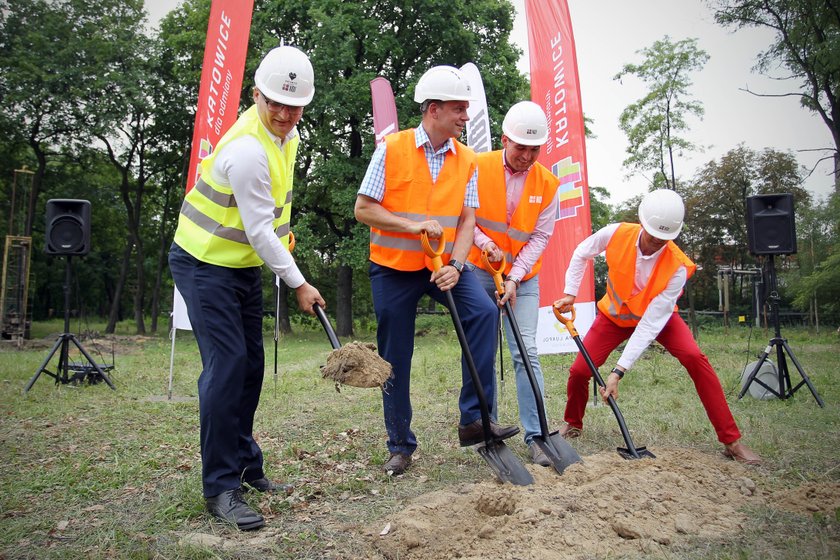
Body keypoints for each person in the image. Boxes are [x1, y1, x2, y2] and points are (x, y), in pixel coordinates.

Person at [169, 46, 326, 530]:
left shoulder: (288, 136)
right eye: (274, 102)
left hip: (240, 266)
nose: (283, 113)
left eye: (294, 105)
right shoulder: (246, 150)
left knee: (251, 365)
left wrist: (282, 241)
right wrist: (298, 281)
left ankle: (245, 464)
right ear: (255, 94)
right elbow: (259, 229)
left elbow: (269, 217)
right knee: (227, 365)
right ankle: (220, 487)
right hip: (202, 263)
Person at [354, 65, 519, 476]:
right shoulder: (391, 149)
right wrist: (412, 227)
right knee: (397, 356)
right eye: (459, 109)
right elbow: (363, 209)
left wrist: (458, 264)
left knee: (482, 314)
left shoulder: (467, 159)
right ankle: (400, 445)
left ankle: (474, 420)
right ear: (433, 110)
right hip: (392, 268)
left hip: (442, 266)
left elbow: (467, 220)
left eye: (466, 109)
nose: (466, 116)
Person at [554, 189, 761, 464]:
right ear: (643, 223)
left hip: (657, 320)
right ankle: (573, 422)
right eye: (653, 237)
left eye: (664, 240)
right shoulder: (615, 233)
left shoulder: (677, 267)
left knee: (694, 358)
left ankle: (731, 441)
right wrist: (570, 292)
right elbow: (581, 253)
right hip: (614, 316)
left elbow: (650, 324)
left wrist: (618, 372)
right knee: (579, 371)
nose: (655, 244)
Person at [467, 101, 560, 467]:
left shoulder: (548, 184)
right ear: (505, 139)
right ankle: (486, 427)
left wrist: (514, 277)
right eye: (521, 147)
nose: (527, 155)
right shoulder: (476, 166)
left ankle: (537, 435)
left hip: (523, 276)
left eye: (535, 149)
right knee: (482, 351)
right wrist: (486, 244)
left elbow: (539, 237)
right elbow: (464, 217)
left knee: (526, 353)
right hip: (478, 269)